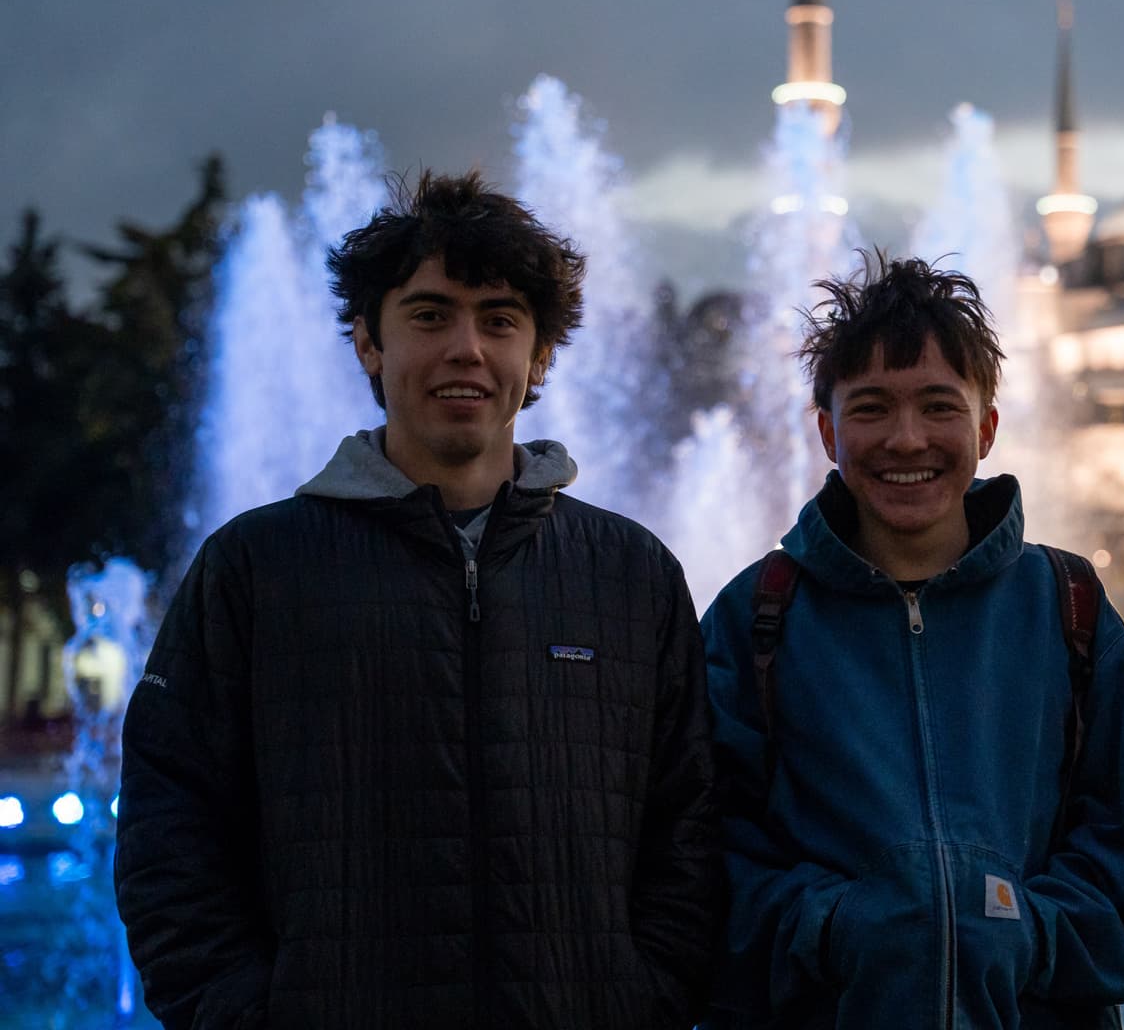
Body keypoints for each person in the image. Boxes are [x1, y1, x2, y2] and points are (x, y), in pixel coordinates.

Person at [115, 170, 719, 1028]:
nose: (465, 349)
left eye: (500, 320)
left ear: (540, 354)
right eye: (430, 315)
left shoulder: (631, 574)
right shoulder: (254, 566)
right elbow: (167, 824)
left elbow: (690, 826)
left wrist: (645, 996)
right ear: (369, 341)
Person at [700, 252, 1124, 1029]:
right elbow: (712, 856)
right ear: (827, 432)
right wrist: (840, 925)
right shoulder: (756, 615)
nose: (907, 439)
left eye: (939, 407)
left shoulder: (1069, 607)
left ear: (986, 428)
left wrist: (1022, 935)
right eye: (873, 407)